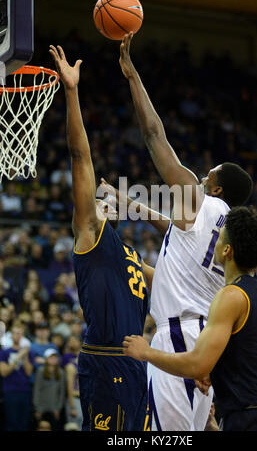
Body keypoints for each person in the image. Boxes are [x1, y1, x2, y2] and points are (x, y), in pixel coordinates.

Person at [118, 32, 253, 431]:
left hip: (178, 337)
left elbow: (154, 135)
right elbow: (175, 231)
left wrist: (132, 76)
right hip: (204, 340)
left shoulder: (199, 197)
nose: (202, 171)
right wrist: (129, 205)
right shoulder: (229, 229)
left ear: (214, 187)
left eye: (209, 172)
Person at [49, 44, 153, 431]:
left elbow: (169, 277)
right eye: (95, 196)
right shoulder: (90, 233)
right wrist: (72, 92)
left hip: (136, 361)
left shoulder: (127, 251)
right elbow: (80, 157)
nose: (102, 197)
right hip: (106, 361)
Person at [123, 206, 257, 431]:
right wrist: (223, 374)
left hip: (247, 419)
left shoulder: (231, 295)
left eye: (220, 237)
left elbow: (196, 365)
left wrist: (146, 352)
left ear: (227, 251)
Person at [0, 322, 34, 431]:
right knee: (11, 423)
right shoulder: (4, 352)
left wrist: (24, 356)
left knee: (24, 424)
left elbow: (29, 372)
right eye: (15, 333)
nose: (17, 335)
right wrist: (19, 356)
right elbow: (4, 372)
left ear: (22, 335)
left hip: (25, 391)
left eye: (19, 333)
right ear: (11, 335)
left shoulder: (28, 352)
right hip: (10, 391)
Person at [33, 348, 65, 431]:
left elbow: (61, 392)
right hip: (41, 407)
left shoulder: (61, 372)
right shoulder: (40, 371)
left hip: (54, 408)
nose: (53, 359)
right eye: (51, 357)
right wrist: (38, 408)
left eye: (55, 357)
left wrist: (58, 408)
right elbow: (37, 390)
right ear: (46, 359)